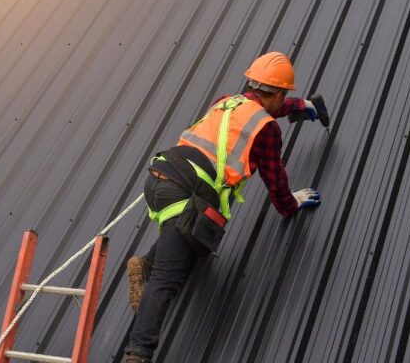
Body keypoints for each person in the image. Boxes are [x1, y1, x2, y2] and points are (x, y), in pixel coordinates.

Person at [123, 52, 327, 363]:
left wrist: (303, 107)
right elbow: (275, 178)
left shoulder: (226, 102)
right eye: (286, 95)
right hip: (186, 192)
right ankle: (138, 353)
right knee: (168, 277)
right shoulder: (267, 129)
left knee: (190, 237)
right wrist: (290, 205)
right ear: (281, 91)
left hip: (162, 179)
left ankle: (146, 264)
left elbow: (263, 108)